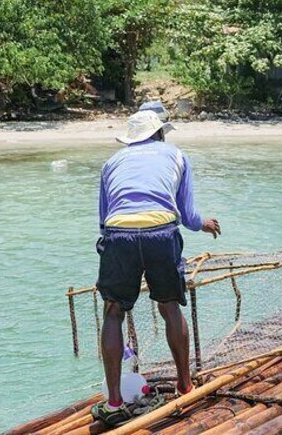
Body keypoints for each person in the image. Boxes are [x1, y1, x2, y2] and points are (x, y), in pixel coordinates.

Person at [91, 110, 221, 426]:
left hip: (118, 234)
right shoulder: (176, 155)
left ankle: (113, 403)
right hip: (161, 232)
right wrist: (203, 224)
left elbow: (104, 217)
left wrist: (119, 245)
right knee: (170, 307)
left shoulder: (111, 163)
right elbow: (188, 215)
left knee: (113, 313)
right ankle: (185, 385)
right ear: (160, 134)